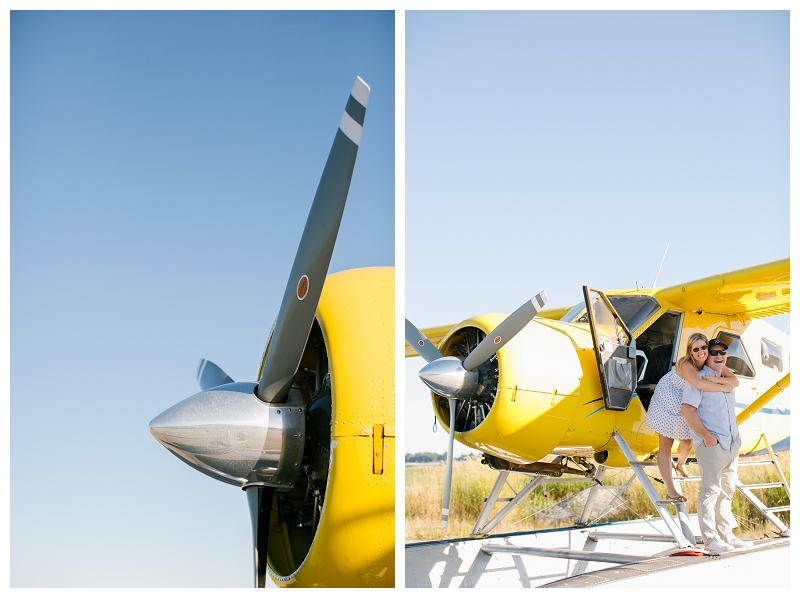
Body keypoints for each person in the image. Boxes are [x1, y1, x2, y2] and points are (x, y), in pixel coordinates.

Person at [644, 333, 738, 502]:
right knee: (666, 445)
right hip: (668, 399)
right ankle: (671, 490)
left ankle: (680, 464)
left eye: (704, 347)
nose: (701, 352)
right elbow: (699, 384)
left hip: (687, 401)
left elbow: (735, 382)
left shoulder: (712, 359)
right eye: (696, 349)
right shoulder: (685, 363)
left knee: (688, 441)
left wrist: (721, 382)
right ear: (690, 351)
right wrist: (723, 387)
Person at [681, 338, 754, 553]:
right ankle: (711, 540)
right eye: (714, 352)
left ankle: (727, 536)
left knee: (727, 492)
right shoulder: (697, 379)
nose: (719, 356)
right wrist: (706, 435)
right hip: (712, 444)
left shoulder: (728, 381)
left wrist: (736, 436)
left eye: (722, 352)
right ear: (705, 356)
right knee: (710, 492)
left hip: (731, 443)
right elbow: (687, 410)